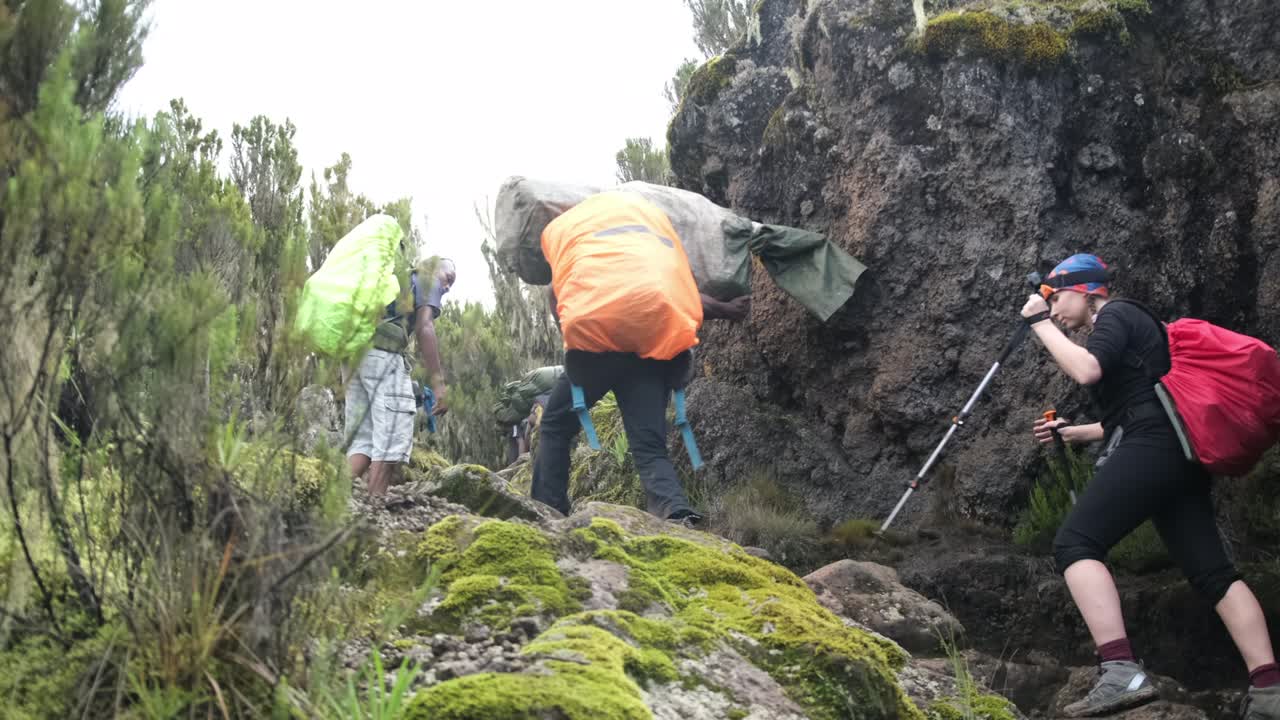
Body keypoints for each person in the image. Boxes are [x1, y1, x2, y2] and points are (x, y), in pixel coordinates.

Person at [1023, 253, 1278, 719]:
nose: (1055, 307)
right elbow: (1136, 408)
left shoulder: (1115, 313)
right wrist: (1074, 432)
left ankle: (1120, 670)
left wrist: (1040, 325)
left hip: (1154, 445)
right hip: (1178, 455)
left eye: (1058, 296)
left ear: (1087, 290)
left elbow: (1087, 371)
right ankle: (1270, 692)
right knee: (1213, 573)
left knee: (1076, 544)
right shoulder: (1136, 327)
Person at [531, 193, 749, 526]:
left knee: (556, 426)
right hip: (650, 344)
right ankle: (676, 513)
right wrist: (727, 310)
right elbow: (677, 291)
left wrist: (573, 337)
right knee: (649, 444)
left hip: (596, 345)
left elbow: (555, 293)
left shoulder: (583, 239)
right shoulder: (646, 238)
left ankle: (547, 513)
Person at [346, 256, 455, 496]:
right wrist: (438, 385)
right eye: (448, 279)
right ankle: (374, 511)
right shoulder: (427, 279)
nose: (446, 288)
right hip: (383, 355)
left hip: (356, 355)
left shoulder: (399, 280)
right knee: (393, 436)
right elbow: (425, 327)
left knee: (363, 440)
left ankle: (325, 503)